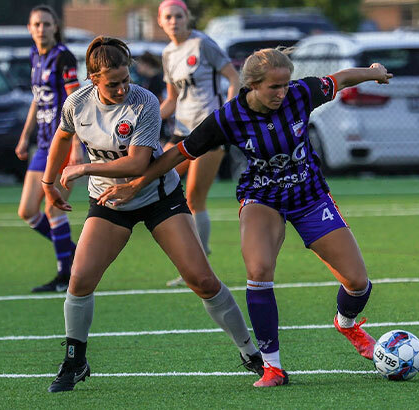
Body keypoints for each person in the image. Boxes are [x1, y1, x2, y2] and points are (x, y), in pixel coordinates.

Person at [97, 48, 393, 387]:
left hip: (309, 195)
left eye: (285, 85)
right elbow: (181, 152)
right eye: (274, 88)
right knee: (259, 270)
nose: (282, 93)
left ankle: (347, 323)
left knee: (357, 284)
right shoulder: (228, 117)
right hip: (262, 197)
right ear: (252, 85)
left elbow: (339, 79)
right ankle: (273, 367)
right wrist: (136, 184)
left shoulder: (301, 93)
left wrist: (374, 72)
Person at [41, 36, 263, 393]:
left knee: (202, 280)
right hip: (110, 202)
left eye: (125, 80)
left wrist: (82, 171)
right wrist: (49, 180)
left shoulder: (143, 101)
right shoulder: (77, 103)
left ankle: (251, 352)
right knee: (80, 279)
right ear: (93, 79)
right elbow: (63, 138)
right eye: (112, 83)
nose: (122, 88)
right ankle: (75, 359)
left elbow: (138, 162)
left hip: (158, 195)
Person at [157, 0, 241, 287]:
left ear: (186, 17)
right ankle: (186, 250)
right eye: (167, 17)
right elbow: (171, 99)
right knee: (154, 176)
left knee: (194, 197)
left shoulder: (203, 44)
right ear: (160, 21)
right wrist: (145, 118)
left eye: (178, 16)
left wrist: (227, 113)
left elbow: (233, 77)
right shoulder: (167, 53)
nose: (173, 21)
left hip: (208, 132)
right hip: (181, 131)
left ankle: (198, 263)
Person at [15, 5, 83, 293]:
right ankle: (76, 251)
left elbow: (75, 101)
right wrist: (24, 135)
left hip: (63, 141)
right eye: (36, 24)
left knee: (53, 210)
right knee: (28, 211)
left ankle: (64, 275)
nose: (41, 29)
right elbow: (37, 99)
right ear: (30, 29)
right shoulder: (35, 56)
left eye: (46, 24)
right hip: (42, 143)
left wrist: (77, 144)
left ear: (56, 27)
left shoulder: (63, 57)